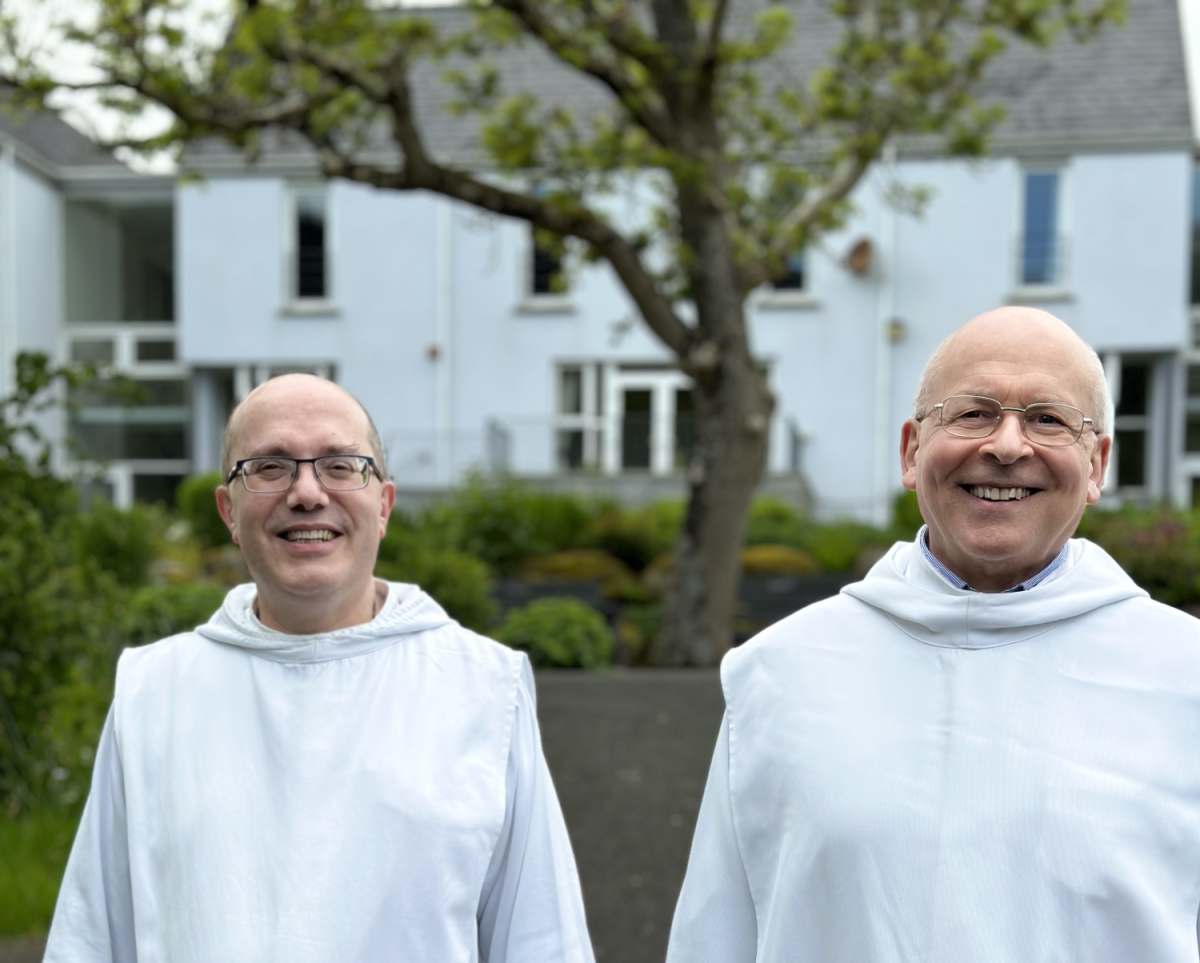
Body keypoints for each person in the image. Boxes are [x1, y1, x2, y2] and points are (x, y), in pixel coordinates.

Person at [666, 307, 1200, 962]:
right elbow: (714, 937)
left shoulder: (1185, 677)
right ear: (912, 451)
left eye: (1047, 419)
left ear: (1097, 464)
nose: (1007, 445)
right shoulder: (780, 674)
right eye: (973, 412)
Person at [45, 374, 594, 963]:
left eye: (339, 465)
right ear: (228, 510)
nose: (306, 493)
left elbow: (540, 939)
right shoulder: (153, 693)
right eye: (270, 467)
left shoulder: (485, 689)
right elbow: (93, 937)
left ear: (382, 504)